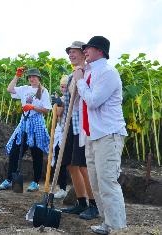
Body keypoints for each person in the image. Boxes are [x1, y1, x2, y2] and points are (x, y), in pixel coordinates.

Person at [74, 36, 128, 234]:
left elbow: (94, 101)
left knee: (107, 182)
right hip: (92, 135)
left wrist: (80, 81)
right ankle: (107, 223)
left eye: (89, 48)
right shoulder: (89, 71)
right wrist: (79, 74)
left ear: (100, 51)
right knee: (96, 183)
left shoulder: (108, 72)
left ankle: (118, 228)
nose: (85, 50)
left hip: (108, 134)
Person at [59, 41, 98, 220]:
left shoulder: (87, 72)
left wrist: (78, 77)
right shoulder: (71, 74)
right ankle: (81, 202)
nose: (71, 55)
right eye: (69, 53)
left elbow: (85, 96)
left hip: (81, 126)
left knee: (83, 166)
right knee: (71, 165)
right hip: (68, 125)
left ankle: (93, 204)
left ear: (84, 53)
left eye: (74, 52)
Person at [0, 68, 52, 192]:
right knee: (15, 152)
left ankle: (36, 182)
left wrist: (33, 107)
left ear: (39, 78)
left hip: (36, 123)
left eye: (34, 77)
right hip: (24, 123)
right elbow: (10, 89)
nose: (32, 79)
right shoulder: (24, 89)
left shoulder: (43, 91)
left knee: (36, 154)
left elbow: (47, 110)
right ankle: (9, 179)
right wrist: (17, 75)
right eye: (30, 77)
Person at [50, 75, 69, 199]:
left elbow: (62, 112)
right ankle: (61, 188)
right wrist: (57, 103)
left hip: (67, 133)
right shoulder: (62, 98)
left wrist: (60, 103)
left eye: (65, 86)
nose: (63, 89)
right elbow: (57, 115)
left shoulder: (71, 98)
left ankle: (63, 188)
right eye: (61, 86)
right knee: (58, 159)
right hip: (59, 132)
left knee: (64, 162)